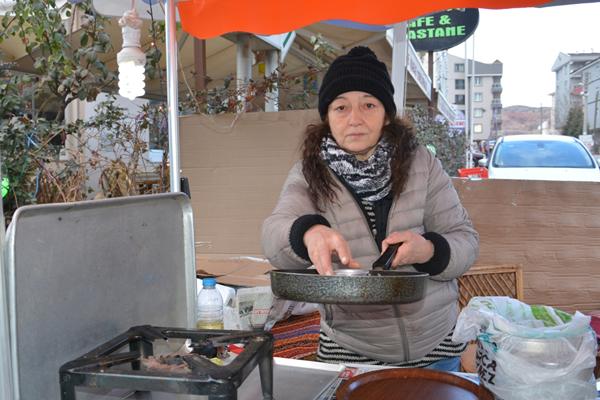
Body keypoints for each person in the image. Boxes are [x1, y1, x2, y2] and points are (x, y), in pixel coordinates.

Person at [261, 46, 479, 371]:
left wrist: (429, 250)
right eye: (341, 107)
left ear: (386, 113)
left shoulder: (422, 163)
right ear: (327, 116)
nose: (355, 119)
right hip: (351, 349)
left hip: (436, 343)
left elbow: (466, 241)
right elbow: (273, 238)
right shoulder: (310, 172)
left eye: (368, 104)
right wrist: (308, 232)